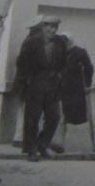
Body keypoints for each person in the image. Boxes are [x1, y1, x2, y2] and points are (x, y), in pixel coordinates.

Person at [14, 15, 68, 161]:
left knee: (54, 117)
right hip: (35, 85)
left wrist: (60, 76)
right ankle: (31, 150)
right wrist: (24, 84)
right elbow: (21, 64)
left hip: (53, 86)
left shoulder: (60, 42)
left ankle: (42, 145)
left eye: (54, 27)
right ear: (42, 27)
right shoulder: (31, 43)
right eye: (48, 26)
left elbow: (64, 63)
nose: (52, 30)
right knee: (32, 118)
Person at [59, 34, 95, 134]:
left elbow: (89, 69)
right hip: (59, 87)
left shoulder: (80, 52)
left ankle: (61, 140)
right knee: (60, 115)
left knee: (69, 115)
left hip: (75, 89)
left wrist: (88, 85)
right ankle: (59, 140)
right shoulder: (58, 52)